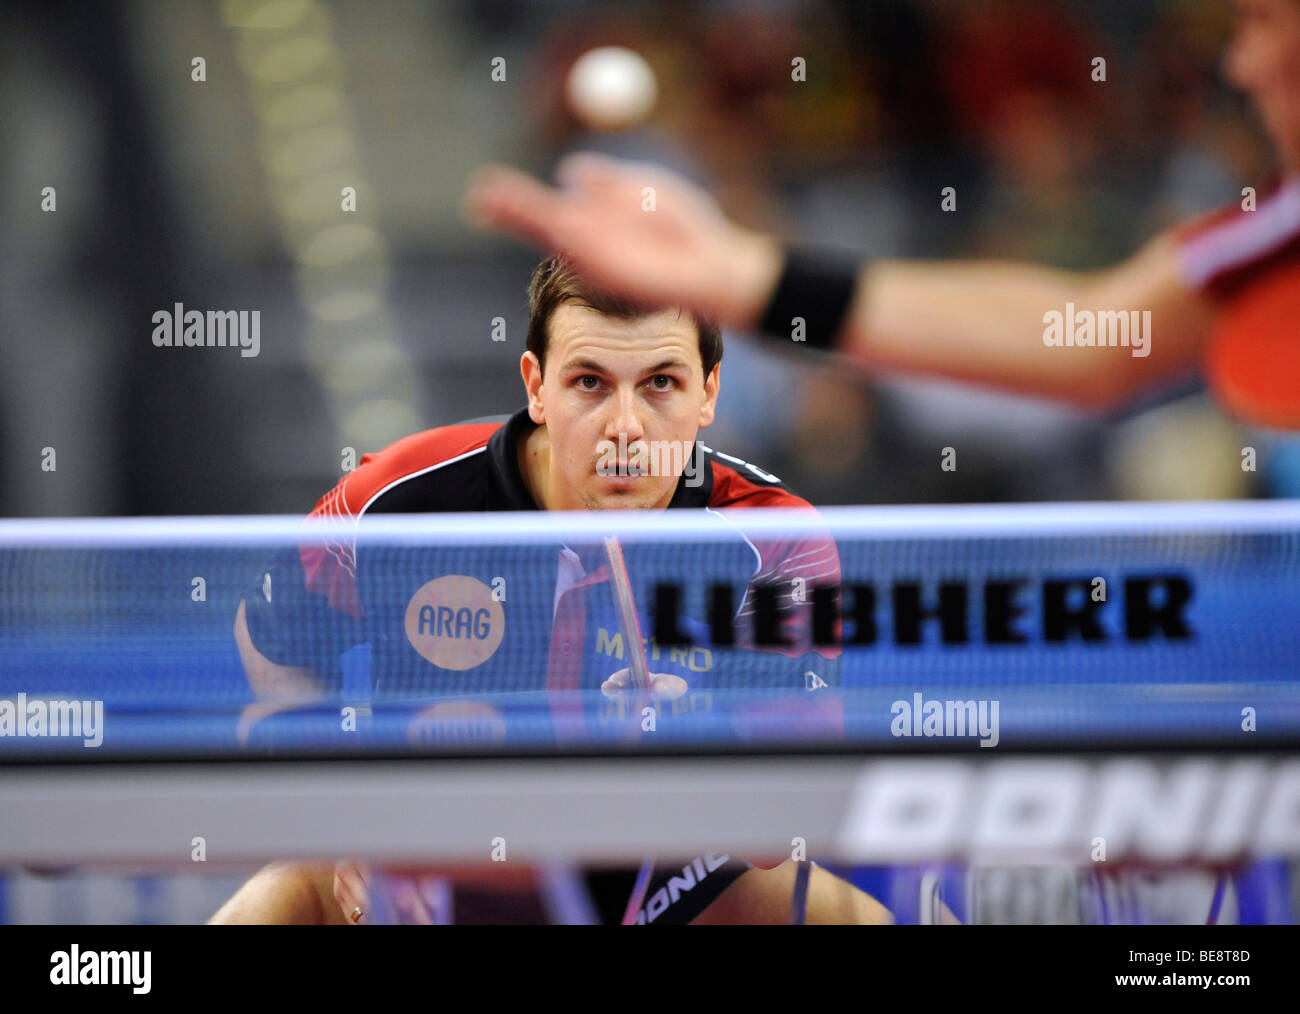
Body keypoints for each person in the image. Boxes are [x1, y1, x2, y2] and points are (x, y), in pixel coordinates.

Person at [210, 254, 890, 926]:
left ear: (708, 391)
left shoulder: (776, 542)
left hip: (661, 868)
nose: (626, 427)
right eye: (590, 382)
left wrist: (699, 737)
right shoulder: (398, 499)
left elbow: (779, 827)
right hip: (437, 856)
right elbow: (274, 642)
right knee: (286, 890)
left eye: (661, 383)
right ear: (537, 386)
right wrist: (342, 816)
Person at [462, 0, 1300, 430]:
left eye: (1262, 21)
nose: (1243, 62)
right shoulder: (1280, 225)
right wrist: (742, 275)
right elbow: (1092, 334)